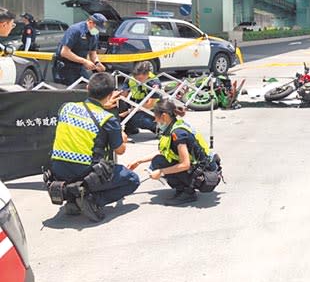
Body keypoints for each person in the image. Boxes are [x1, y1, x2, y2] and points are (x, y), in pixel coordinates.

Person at [49, 72, 140, 221]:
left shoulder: (66, 108)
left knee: (74, 167)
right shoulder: (107, 119)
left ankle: (72, 197)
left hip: (57, 171)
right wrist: (123, 137)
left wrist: (103, 106)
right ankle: (91, 200)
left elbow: (87, 111)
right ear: (111, 94)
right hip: (86, 173)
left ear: (87, 87)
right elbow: (120, 150)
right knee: (132, 180)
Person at [128, 99, 220, 203]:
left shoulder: (178, 134)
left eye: (156, 117)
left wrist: (161, 171)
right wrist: (138, 161)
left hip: (205, 174)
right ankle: (185, 186)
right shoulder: (174, 126)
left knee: (160, 164)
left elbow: (185, 164)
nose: (155, 120)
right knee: (158, 160)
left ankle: (187, 192)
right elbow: (163, 152)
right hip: (202, 167)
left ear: (164, 116)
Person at [53, 13, 107, 86]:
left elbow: (92, 52)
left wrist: (97, 63)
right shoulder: (75, 30)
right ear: (90, 22)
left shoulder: (95, 34)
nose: (97, 31)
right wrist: (84, 61)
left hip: (80, 66)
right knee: (70, 92)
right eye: (97, 28)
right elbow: (64, 52)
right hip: (65, 66)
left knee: (88, 87)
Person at [119, 61, 160, 136]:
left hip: (151, 109)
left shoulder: (154, 82)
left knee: (135, 118)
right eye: (136, 78)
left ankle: (158, 128)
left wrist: (128, 112)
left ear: (147, 74)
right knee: (119, 105)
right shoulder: (130, 78)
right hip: (135, 103)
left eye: (140, 78)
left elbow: (150, 104)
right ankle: (130, 128)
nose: (138, 80)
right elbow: (123, 95)